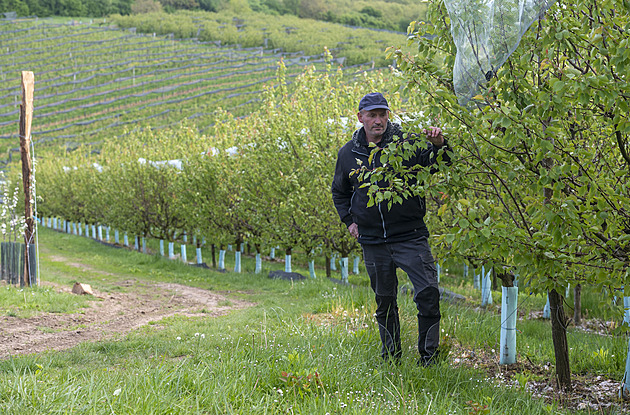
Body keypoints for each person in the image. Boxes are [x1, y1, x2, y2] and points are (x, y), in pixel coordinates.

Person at [331, 92, 451, 366]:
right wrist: (350, 221)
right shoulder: (348, 154)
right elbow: (339, 192)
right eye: (372, 115)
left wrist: (439, 144)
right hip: (373, 241)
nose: (378, 120)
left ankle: (429, 359)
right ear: (360, 118)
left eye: (382, 114)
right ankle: (391, 358)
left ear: (389, 116)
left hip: (410, 236)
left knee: (428, 293)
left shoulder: (406, 144)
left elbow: (440, 163)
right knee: (385, 301)